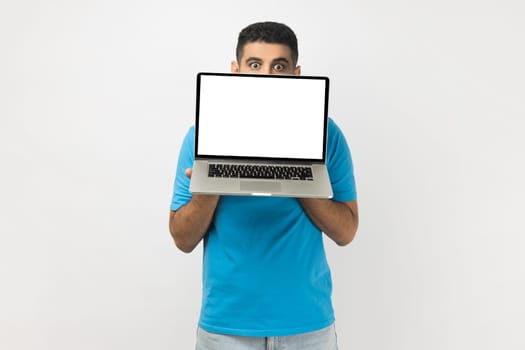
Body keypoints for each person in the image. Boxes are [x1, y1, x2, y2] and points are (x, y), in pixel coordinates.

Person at [169, 21, 358, 350]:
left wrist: (298, 178)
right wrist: (209, 187)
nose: (266, 76)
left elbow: (346, 232)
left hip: (307, 326)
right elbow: (182, 239)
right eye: (255, 65)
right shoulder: (200, 136)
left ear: (296, 74)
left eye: (279, 67)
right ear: (235, 70)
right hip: (226, 328)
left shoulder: (328, 135)